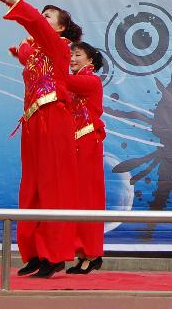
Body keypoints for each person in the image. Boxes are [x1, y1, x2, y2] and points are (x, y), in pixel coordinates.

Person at [0, 0, 81, 278]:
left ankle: (56, 254)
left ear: (60, 28)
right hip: (31, 121)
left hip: (53, 117)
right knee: (31, 188)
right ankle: (35, 252)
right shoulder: (39, 52)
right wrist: (18, 51)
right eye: (43, 14)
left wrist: (14, 3)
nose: (43, 18)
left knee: (53, 186)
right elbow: (28, 48)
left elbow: (36, 28)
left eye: (48, 16)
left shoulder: (60, 47)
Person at [65, 41, 106, 275]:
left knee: (88, 198)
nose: (72, 58)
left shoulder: (91, 80)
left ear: (90, 60)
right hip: (74, 144)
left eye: (77, 55)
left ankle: (92, 253)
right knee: (76, 198)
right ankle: (82, 253)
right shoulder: (74, 82)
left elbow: (62, 80)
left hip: (87, 143)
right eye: (70, 55)